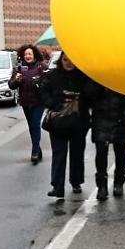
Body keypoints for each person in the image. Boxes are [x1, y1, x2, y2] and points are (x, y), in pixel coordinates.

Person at [38, 52, 90, 200]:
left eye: (71, 60)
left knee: (77, 154)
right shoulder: (52, 75)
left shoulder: (82, 76)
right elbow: (42, 91)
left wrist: (79, 99)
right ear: (61, 60)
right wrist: (53, 103)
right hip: (58, 122)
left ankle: (76, 182)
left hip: (78, 121)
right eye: (65, 59)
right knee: (59, 154)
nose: (68, 63)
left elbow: (91, 93)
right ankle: (57, 186)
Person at [84, 81, 125, 201]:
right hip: (101, 116)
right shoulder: (96, 75)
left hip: (121, 116)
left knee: (120, 151)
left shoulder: (123, 74)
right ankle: (102, 186)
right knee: (101, 152)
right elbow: (88, 94)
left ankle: (119, 182)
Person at [9, 43, 46, 164]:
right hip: (25, 102)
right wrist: (16, 80)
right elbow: (11, 85)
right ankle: (38, 149)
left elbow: (47, 83)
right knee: (31, 127)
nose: (27, 56)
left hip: (38, 102)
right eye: (25, 54)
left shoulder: (41, 66)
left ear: (34, 54)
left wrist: (39, 82)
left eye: (29, 53)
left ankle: (34, 151)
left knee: (35, 124)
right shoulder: (19, 67)